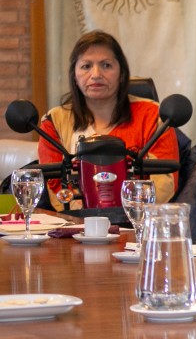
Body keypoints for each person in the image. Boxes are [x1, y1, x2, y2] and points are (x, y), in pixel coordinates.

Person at [38, 30, 179, 210]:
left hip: (139, 221)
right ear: (74, 74)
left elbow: (164, 184)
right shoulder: (54, 121)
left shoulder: (153, 115)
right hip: (77, 226)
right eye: (86, 66)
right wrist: (91, 220)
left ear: (121, 73)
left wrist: (125, 214)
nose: (96, 74)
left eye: (106, 65)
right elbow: (57, 189)